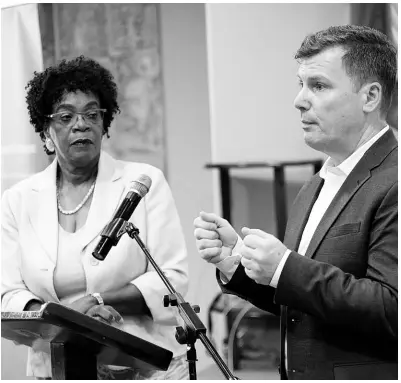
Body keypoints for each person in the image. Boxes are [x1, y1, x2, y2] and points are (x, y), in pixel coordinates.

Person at [194, 25, 397, 380]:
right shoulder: (316, 185)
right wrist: (237, 265)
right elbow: (299, 302)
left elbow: (390, 308)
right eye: (300, 84)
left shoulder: (394, 180)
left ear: (370, 97)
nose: (299, 100)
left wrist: (286, 268)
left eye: (318, 85)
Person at [2, 56, 189, 380]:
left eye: (92, 114)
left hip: (140, 366)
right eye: (66, 116)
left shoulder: (142, 183)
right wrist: (59, 317)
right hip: (54, 367)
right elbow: (8, 293)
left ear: (105, 122)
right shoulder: (18, 200)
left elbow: (171, 280)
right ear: (46, 128)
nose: (81, 124)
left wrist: (95, 301)